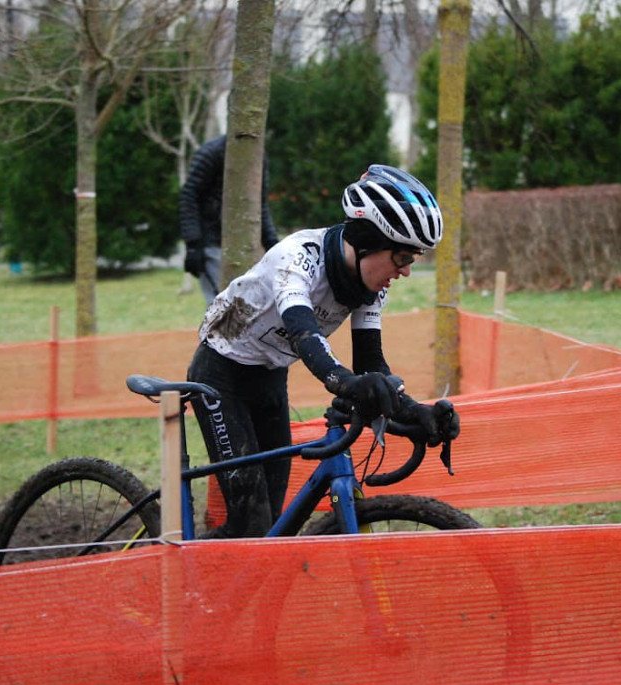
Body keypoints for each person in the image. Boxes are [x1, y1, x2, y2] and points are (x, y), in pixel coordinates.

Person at [186, 164, 461, 538]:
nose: (405, 271)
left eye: (411, 261)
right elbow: (306, 337)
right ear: (367, 242)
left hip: (269, 376)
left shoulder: (369, 283)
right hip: (220, 374)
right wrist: (347, 384)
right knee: (250, 522)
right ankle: (172, 575)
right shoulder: (297, 258)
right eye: (401, 258)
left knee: (273, 526)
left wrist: (415, 412)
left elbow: (370, 364)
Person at [178, 135, 280, 305]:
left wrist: (272, 244)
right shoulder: (211, 152)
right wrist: (193, 245)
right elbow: (188, 196)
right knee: (222, 308)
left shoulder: (258, 154)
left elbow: (259, 203)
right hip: (211, 244)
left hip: (246, 246)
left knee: (248, 307)